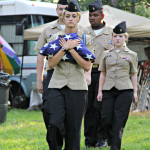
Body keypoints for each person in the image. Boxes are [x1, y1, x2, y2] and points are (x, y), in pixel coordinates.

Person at [46, 1, 94, 149]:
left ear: (78, 18)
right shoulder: (54, 38)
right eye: (68, 16)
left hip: (78, 87)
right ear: (63, 17)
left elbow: (87, 65)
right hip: (57, 85)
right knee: (54, 123)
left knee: (74, 128)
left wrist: (72, 49)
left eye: (74, 16)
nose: (71, 18)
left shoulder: (86, 39)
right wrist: (64, 48)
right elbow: (51, 64)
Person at [97, 21, 138, 150]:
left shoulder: (132, 55)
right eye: (115, 36)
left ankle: (115, 147)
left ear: (125, 37)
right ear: (112, 38)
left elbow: (133, 74)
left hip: (125, 90)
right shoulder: (105, 54)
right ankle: (111, 140)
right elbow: (102, 74)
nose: (117, 39)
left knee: (119, 120)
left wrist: (135, 92)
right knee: (106, 119)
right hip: (108, 89)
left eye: (120, 36)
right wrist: (100, 92)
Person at [34, 0, 69, 149]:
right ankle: (54, 145)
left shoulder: (77, 29)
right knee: (47, 110)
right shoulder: (48, 31)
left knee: (68, 113)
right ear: (56, 10)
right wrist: (39, 79)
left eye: (66, 10)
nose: (63, 12)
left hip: (70, 75)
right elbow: (40, 56)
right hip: (52, 74)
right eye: (60, 9)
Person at [84, 0, 113, 148]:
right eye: (90, 15)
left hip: (104, 74)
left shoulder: (112, 32)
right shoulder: (83, 32)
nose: (92, 18)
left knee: (100, 106)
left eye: (95, 15)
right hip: (87, 72)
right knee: (88, 107)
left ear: (102, 15)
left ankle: (103, 138)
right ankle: (89, 140)